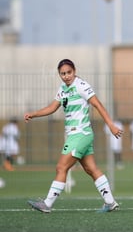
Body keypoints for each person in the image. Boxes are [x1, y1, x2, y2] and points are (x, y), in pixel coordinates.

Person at [24, 59, 122, 213]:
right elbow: (52, 107)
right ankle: (110, 202)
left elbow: (98, 104)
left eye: (69, 72)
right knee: (91, 169)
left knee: (61, 167)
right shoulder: (62, 88)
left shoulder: (81, 86)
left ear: (74, 71)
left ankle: (47, 204)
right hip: (79, 135)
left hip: (80, 134)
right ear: (59, 75)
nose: (66, 76)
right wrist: (33, 114)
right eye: (63, 73)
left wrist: (110, 125)